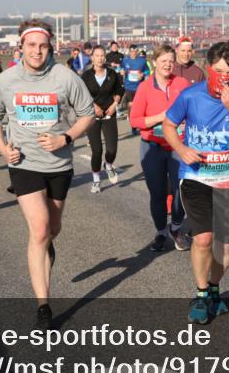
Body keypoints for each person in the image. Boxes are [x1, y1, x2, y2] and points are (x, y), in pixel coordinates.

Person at [0, 20, 95, 330]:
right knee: (40, 228)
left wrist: (65, 138)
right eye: (31, 45)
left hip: (59, 165)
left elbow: (87, 114)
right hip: (24, 164)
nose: (37, 51)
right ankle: (43, 305)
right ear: (20, 47)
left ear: (51, 48)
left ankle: (46, 243)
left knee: (52, 229)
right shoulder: (5, 81)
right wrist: (3, 149)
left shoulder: (65, 77)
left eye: (43, 46)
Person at [163, 41, 229, 325]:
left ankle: (215, 288)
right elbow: (169, 125)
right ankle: (201, 293)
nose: (224, 78)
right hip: (196, 175)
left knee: (226, 244)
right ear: (208, 68)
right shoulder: (190, 95)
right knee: (204, 238)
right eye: (218, 71)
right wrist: (181, 149)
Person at [129, 44, 190, 252]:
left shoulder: (182, 84)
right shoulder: (145, 87)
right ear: (154, 62)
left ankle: (176, 228)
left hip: (177, 145)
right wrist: (161, 117)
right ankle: (161, 231)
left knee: (181, 190)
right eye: (163, 61)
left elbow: (193, 109)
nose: (167, 65)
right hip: (152, 146)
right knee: (158, 193)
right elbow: (135, 120)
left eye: (171, 61)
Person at [81, 45, 123, 193]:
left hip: (109, 114)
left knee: (112, 149)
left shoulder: (112, 73)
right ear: (92, 58)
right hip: (92, 117)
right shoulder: (86, 76)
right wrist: (94, 107)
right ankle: (96, 180)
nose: (100, 58)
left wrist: (115, 105)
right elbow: (83, 95)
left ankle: (109, 165)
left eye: (102, 55)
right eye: (97, 56)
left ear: (105, 57)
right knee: (97, 150)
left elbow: (119, 90)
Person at [121, 44, 149, 130]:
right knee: (131, 105)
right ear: (129, 52)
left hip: (139, 87)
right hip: (128, 86)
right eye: (132, 51)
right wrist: (121, 71)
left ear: (137, 52)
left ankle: (139, 122)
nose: (133, 53)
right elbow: (120, 68)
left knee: (139, 106)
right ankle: (132, 125)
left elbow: (147, 71)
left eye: (135, 51)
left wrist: (143, 74)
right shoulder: (125, 60)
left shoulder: (142, 61)